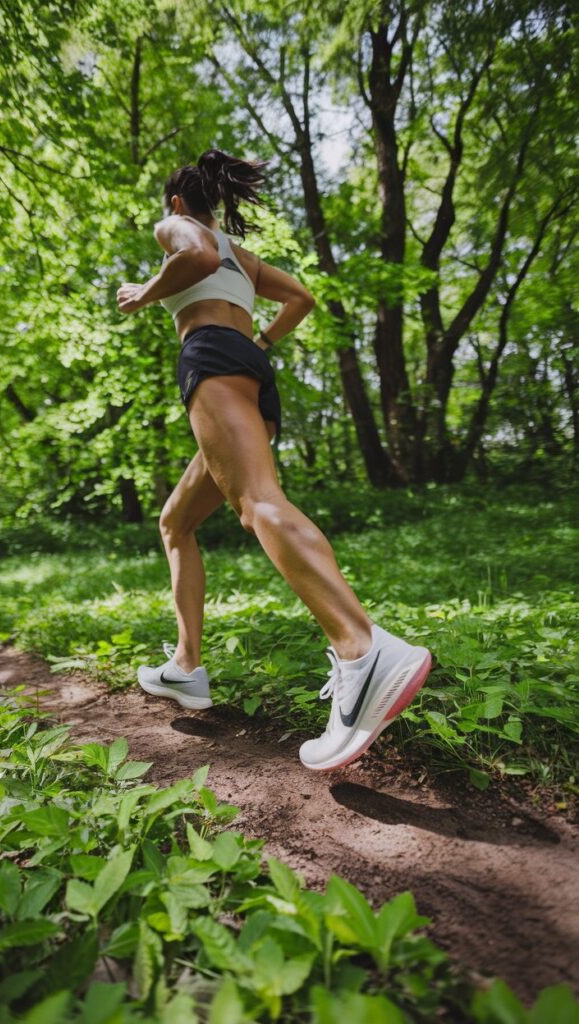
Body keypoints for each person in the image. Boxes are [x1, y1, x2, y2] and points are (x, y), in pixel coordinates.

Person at [116, 148, 432, 772]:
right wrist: (259, 341)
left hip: (212, 358)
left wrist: (144, 294)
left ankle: (362, 648)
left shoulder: (180, 227)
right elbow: (302, 298)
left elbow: (196, 256)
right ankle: (186, 667)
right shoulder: (245, 257)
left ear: (177, 203)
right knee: (176, 521)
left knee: (259, 502)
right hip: (250, 367)